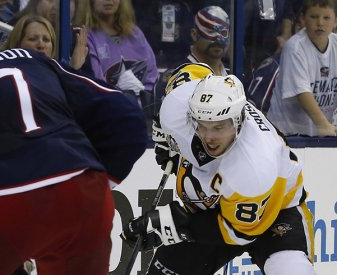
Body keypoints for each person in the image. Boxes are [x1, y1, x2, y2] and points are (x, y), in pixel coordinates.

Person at [0, 10, 147, 274]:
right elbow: (127, 118)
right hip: (85, 193)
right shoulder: (33, 60)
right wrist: (96, 181)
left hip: (5, 202)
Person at [121, 63, 316, 275]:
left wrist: (177, 226)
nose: (209, 137)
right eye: (201, 125)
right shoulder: (177, 104)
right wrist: (167, 138)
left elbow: (239, 233)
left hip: (277, 211)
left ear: (239, 120)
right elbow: (194, 71)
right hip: (211, 206)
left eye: (219, 127)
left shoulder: (255, 165)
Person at [268, 0, 337, 137]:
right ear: (303, 19)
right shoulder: (294, 47)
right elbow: (302, 94)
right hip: (285, 134)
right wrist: (323, 125)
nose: (320, 23)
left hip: (317, 133)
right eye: (314, 17)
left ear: (335, 21)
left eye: (326, 18)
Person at [3, 14, 88, 70]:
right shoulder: (4, 71)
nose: (41, 45)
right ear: (17, 43)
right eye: (32, 39)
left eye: (46, 40)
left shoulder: (58, 75)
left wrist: (73, 68)